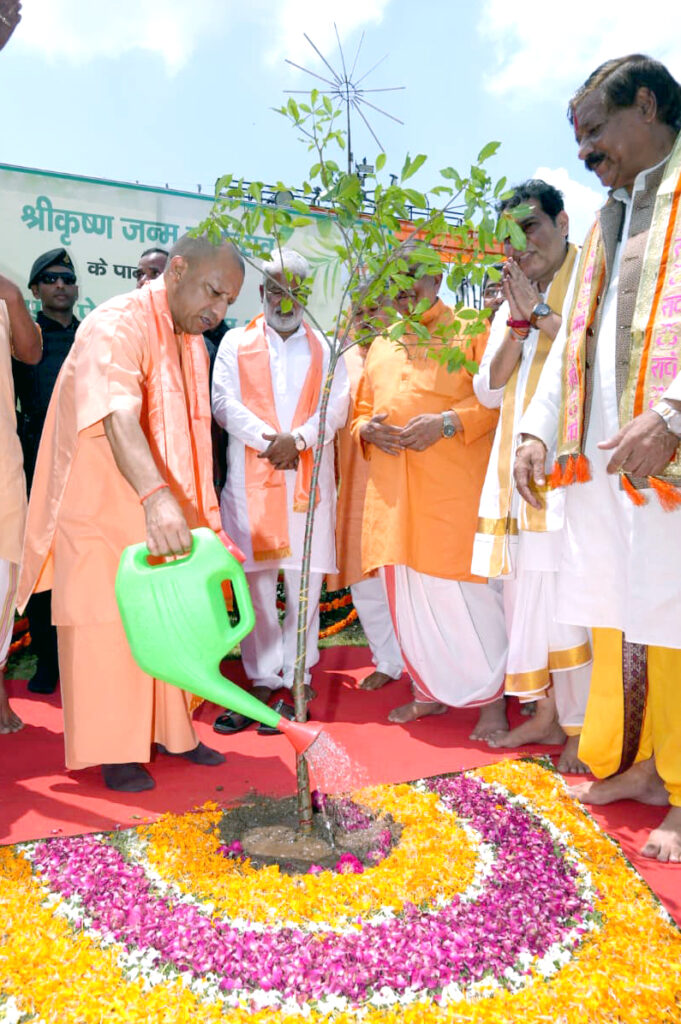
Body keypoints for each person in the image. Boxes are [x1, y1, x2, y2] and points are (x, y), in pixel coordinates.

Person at [515, 54, 681, 861]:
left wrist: (675, 417)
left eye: (593, 131)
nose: (582, 152)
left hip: (669, 453)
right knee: (632, 612)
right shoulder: (608, 219)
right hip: (608, 464)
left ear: (645, 106)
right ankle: (649, 769)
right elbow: (569, 345)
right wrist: (537, 432)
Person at [17, 234, 245, 790]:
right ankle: (112, 749)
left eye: (227, 303)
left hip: (157, 504)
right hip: (99, 506)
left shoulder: (188, 339)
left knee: (169, 620)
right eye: (213, 293)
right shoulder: (116, 324)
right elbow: (119, 414)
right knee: (105, 627)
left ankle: (174, 732)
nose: (216, 311)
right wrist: (154, 496)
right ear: (179, 269)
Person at [352, 248, 508, 736]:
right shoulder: (381, 342)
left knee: (468, 602)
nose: (402, 287)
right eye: (393, 278)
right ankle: (428, 693)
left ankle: (493, 704)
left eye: (412, 276)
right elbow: (361, 408)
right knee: (411, 603)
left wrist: (446, 422)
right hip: (394, 499)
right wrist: (365, 431)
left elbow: (499, 402)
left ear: (438, 277)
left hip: (450, 498)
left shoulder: (471, 327)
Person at [472, 181, 591, 773]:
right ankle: (544, 714)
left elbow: (586, 348)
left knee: (568, 599)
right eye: (510, 237)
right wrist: (517, 324)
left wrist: (540, 313)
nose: (521, 246)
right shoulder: (513, 299)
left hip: (572, 476)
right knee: (526, 598)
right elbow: (489, 389)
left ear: (564, 222)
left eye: (532, 228)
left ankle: (581, 726)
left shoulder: (588, 280)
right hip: (514, 477)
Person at [211, 249, 349, 732]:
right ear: (262, 293)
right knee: (257, 588)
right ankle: (261, 679)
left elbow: (337, 407)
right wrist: (273, 442)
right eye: (275, 289)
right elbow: (223, 402)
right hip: (252, 484)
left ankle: (298, 676)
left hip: (308, 488)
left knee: (302, 588)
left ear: (305, 294)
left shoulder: (326, 347)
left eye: (294, 289)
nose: (284, 298)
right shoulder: (234, 342)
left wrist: (302, 440)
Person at [13, 249, 80, 694]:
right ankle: (48, 660)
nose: (61, 285)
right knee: (41, 565)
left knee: (83, 563)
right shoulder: (22, 338)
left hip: (87, 462)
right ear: (36, 290)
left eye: (68, 278)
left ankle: (82, 657)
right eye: (51, 279)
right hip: (35, 461)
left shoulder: (94, 334)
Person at [327, 303, 403, 692]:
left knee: (404, 578)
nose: (368, 318)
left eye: (377, 308)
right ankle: (388, 660)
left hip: (401, 481)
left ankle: (420, 663)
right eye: (360, 311)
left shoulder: (406, 350)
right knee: (364, 579)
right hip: (354, 482)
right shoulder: (338, 357)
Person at [0, 271, 43, 733]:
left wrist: (11, 295)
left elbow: (30, 353)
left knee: (1, 583)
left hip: (0, 466)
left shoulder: (4, 296)